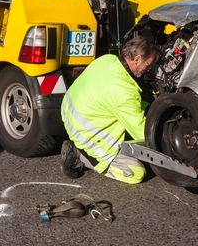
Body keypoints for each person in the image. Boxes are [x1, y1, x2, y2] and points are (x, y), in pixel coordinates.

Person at [60, 33, 159, 184]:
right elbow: (143, 132)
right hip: (85, 134)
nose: (149, 69)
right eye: (148, 65)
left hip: (70, 113)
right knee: (136, 173)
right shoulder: (123, 92)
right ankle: (81, 155)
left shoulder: (108, 59)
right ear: (137, 59)